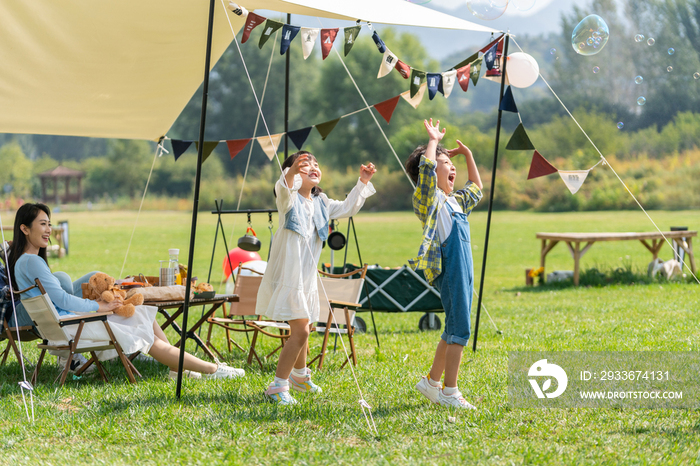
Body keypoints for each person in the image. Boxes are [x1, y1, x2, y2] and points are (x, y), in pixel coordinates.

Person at [8, 203, 244, 380]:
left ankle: (177, 366)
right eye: (42, 224)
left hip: (64, 325)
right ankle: (212, 369)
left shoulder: (23, 262)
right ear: (24, 229)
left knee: (141, 313)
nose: (48, 229)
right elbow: (62, 299)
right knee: (144, 325)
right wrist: (100, 307)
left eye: (49, 223)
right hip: (72, 326)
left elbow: (58, 298)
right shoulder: (32, 262)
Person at [257, 151, 376, 404]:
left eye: (315, 164)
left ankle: (299, 377)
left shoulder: (321, 202)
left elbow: (347, 208)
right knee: (300, 331)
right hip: (290, 275)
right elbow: (284, 186)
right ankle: (277, 387)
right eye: (304, 164)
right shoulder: (287, 200)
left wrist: (362, 182)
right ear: (291, 172)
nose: (312, 166)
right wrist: (290, 172)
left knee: (305, 328)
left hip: (306, 278)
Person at [405, 119, 483, 410]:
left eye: (453, 164)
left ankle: (431, 382)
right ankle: (450, 392)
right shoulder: (428, 199)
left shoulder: (455, 201)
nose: (452, 168)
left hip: (463, 267)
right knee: (460, 329)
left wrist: (469, 156)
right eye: (445, 163)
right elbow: (425, 170)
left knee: (452, 326)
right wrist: (433, 142)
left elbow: (476, 188)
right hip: (450, 268)